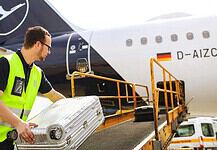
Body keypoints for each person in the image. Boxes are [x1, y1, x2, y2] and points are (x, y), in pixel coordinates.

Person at [0, 26, 65, 150]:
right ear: (38, 44)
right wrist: (18, 123)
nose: (49, 52)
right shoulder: (5, 63)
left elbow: (53, 95)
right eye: (48, 47)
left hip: (12, 140)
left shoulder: (38, 73)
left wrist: (74, 106)